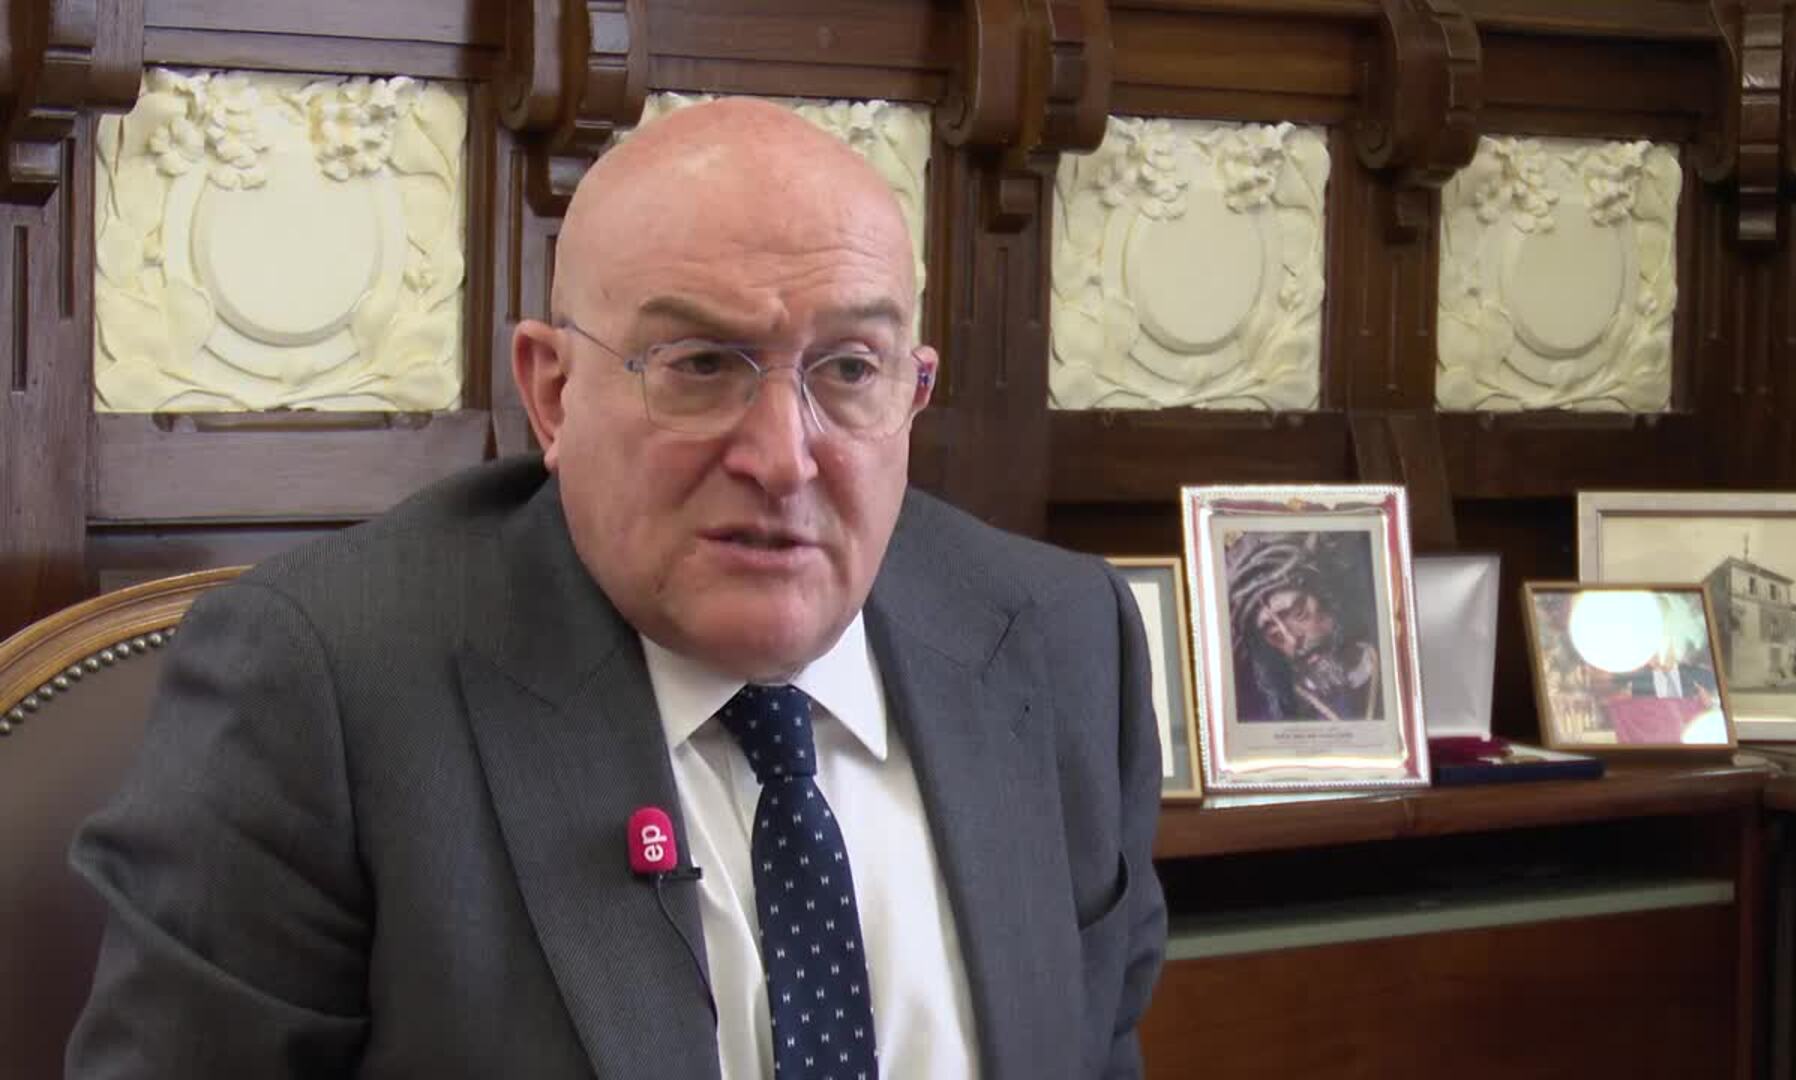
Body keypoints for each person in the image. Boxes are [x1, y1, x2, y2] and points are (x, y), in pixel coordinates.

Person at [66, 98, 1166, 1079]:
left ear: (912, 391)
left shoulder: (1062, 642)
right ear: (553, 394)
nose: (783, 458)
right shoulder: (325, 687)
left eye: (848, 370)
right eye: (702, 366)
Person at [1225, 532, 1380, 723]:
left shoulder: (1386, 655)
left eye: (1299, 613)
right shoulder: (1272, 710)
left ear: (1324, 593)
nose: (1292, 640)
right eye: (1273, 634)